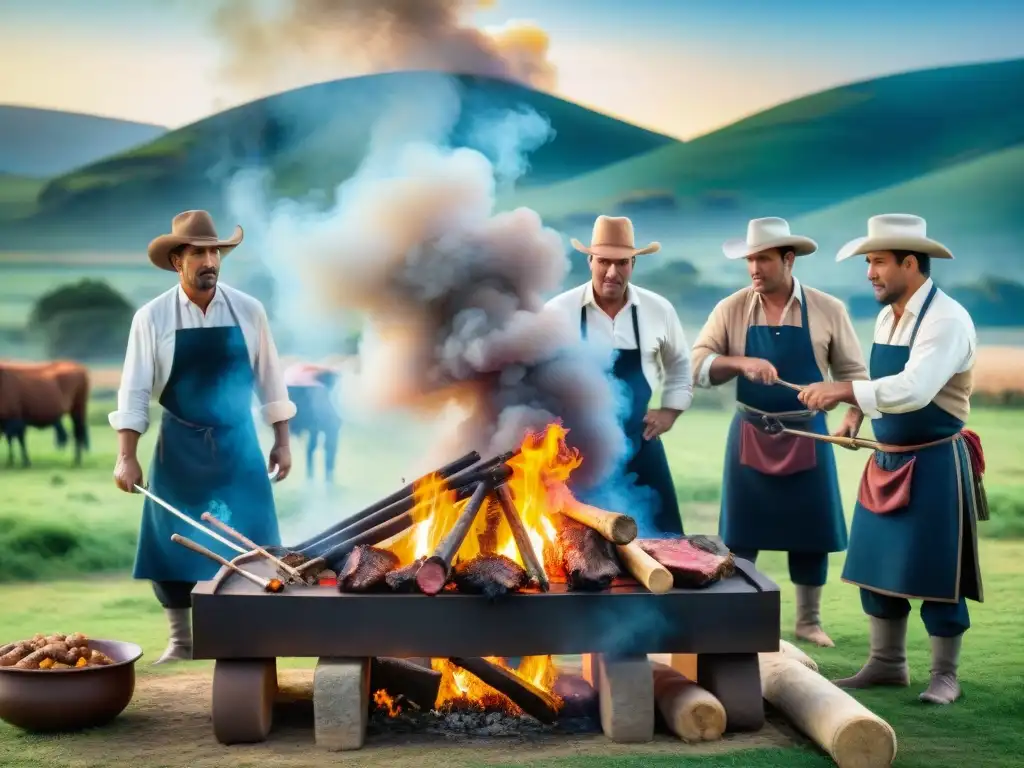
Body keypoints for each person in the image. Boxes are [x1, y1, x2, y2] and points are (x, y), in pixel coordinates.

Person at [798, 213, 985, 704]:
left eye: (878, 262)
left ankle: (945, 675)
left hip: (935, 464)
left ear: (909, 263)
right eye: (868, 263)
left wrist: (842, 390)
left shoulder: (947, 320)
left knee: (938, 572)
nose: (870, 273)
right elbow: (881, 385)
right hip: (886, 461)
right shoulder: (887, 315)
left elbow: (916, 389)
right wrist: (857, 413)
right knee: (877, 566)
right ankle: (886, 664)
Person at [109, 210, 296, 664]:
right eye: (199, 252)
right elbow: (133, 390)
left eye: (215, 251)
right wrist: (125, 456)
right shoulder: (151, 318)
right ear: (178, 260)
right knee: (168, 543)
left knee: (252, 544)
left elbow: (270, 377)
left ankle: (251, 641)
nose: (210, 260)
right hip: (180, 445)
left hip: (238, 444)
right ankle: (182, 642)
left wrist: (282, 439)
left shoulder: (249, 310)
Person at [691, 217, 869, 647]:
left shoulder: (829, 309)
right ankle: (738, 615)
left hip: (810, 436)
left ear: (788, 260)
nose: (754, 267)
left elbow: (854, 375)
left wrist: (851, 417)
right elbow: (697, 366)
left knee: (811, 533)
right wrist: (740, 363)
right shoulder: (731, 307)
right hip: (750, 432)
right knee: (740, 533)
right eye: (750, 259)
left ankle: (808, 621)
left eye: (763, 259)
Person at [546, 215, 693, 535]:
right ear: (589, 261)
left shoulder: (659, 310)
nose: (612, 272)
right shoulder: (558, 312)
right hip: (577, 457)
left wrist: (670, 410)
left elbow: (681, 366)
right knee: (574, 551)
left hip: (642, 445)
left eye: (622, 263)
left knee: (663, 543)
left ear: (633, 264)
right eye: (604, 262)